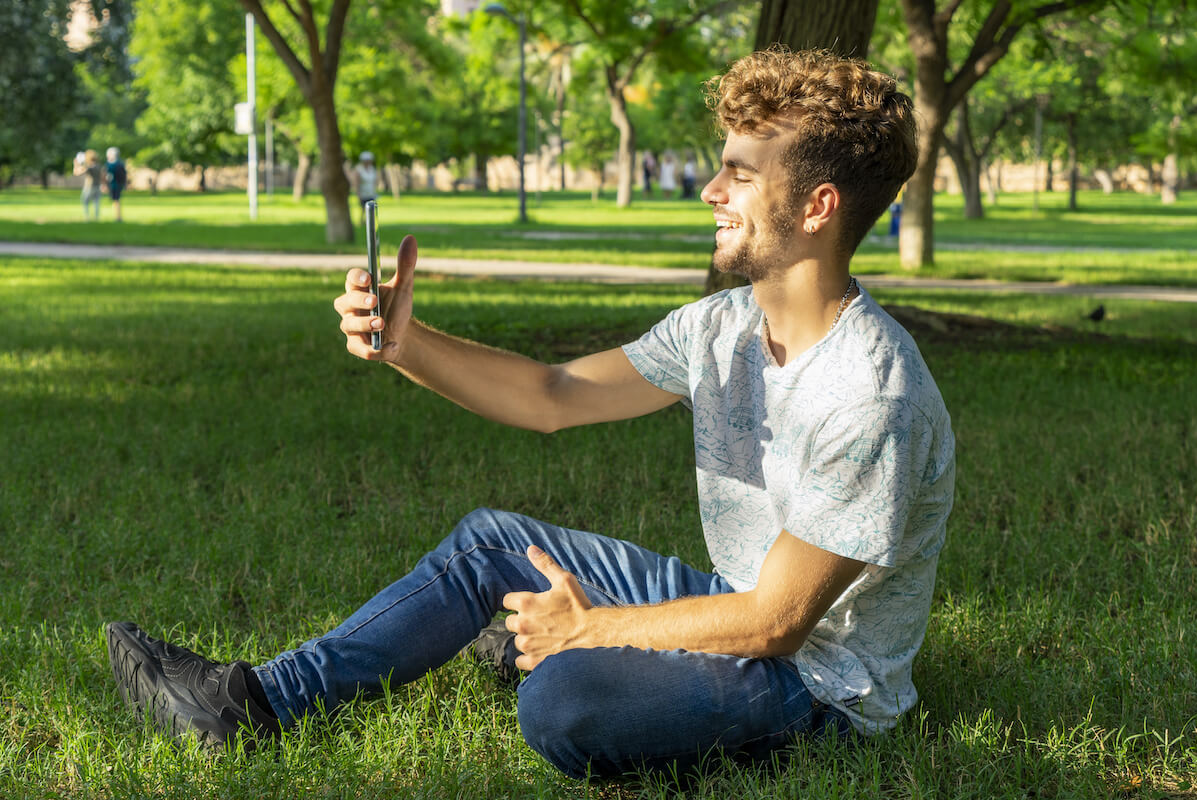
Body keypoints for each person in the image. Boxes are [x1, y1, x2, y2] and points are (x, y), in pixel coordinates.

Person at [105, 48, 954, 780]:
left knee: (564, 700)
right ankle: (255, 703)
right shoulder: (723, 325)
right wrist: (407, 343)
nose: (710, 190)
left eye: (740, 173)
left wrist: (593, 631)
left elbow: (777, 623)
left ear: (817, 207)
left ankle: (559, 650)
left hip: (818, 686)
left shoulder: (871, 394)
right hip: (732, 609)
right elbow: (553, 395)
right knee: (492, 544)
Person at [73, 150, 103, 221]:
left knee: (85, 201)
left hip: (89, 187)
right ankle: (96, 218)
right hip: (98, 186)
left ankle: (87, 217)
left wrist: (75, 164)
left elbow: (77, 173)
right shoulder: (99, 166)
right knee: (96, 202)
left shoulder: (90, 167)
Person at [352, 151, 379, 223]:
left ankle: (370, 221)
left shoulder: (372, 169)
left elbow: (375, 180)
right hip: (363, 192)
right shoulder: (359, 169)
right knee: (363, 208)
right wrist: (358, 193)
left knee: (372, 208)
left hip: (371, 192)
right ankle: (362, 221)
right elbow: (356, 182)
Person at [104, 147, 127, 222]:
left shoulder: (118, 164)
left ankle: (118, 217)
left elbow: (123, 175)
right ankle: (117, 216)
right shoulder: (108, 163)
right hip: (111, 184)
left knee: (116, 200)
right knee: (114, 200)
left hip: (116, 185)